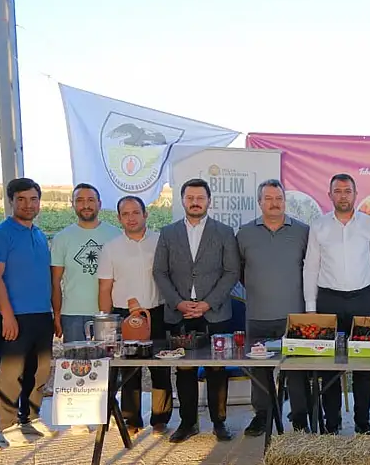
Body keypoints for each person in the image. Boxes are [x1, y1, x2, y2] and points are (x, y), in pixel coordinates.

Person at [152, 178, 241, 442]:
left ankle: (219, 422)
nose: (195, 202)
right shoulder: (168, 233)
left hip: (214, 313)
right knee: (184, 370)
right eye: (190, 198)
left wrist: (207, 303)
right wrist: (178, 302)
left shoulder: (224, 232)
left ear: (209, 201)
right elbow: (159, 271)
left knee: (217, 370)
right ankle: (188, 422)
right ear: (182, 201)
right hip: (179, 313)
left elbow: (231, 271)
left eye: (200, 198)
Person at [304, 173, 370, 435]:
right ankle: (332, 422)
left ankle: (363, 422)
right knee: (329, 364)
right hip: (328, 299)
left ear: (355, 194)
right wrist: (310, 308)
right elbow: (311, 267)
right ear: (330, 195)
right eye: (338, 191)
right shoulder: (318, 226)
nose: (343, 196)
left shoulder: (369, 225)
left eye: (347, 191)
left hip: (363, 299)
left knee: (363, 364)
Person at [236, 179, 312, 435]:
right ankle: (262, 415)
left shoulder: (302, 232)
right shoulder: (244, 233)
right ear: (259, 202)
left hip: (295, 317)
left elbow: (312, 269)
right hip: (258, 315)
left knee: (297, 370)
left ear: (285, 201)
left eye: (279, 198)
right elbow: (240, 271)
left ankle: (300, 417)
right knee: (260, 370)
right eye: (268, 198)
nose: (274, 203)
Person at [97, 195, 173, 433]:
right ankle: (131, 419)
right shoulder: (111, 248)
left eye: (135, 212)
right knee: (129, 369)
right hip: (124, 315)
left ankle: (160, 418)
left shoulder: (161, 242)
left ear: (145, 214)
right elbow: (105, 288)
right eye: (125, 214)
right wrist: (105, 323)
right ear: (119, 218)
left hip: (157, 313)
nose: (131, 218)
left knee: (160, 366)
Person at [0, 177, 56, 440]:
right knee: (11, 372)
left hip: (41, 314)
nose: (28, 205)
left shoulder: (39, 235)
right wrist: (7, 315)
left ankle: (31, 417)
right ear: (11, 202)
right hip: (13, 315)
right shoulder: (0, 234)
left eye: (33, 199)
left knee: (39, 370)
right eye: (21, 200)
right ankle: (7, 425)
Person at [51, 184, 120, 343]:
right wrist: (57, 314)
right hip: (73, 314)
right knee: (76, 358)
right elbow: (55, 281)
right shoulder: (62, 238)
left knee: (108, 357)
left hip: (108, 313)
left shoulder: (115, 234)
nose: (86, 205)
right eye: (80, 200)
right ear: (73, 204)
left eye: (90, 200)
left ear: (99, 204)